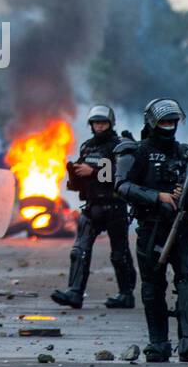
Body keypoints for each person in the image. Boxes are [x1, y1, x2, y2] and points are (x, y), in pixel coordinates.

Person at [115, 98, 188, 363]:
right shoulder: (135, 153)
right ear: (152, 122)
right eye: (163, 121)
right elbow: (122, 186)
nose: (168, 126)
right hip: (151, 229)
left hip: (184, 229)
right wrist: (157, 197)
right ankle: (158, 343)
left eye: (172, 121)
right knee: (152, 287)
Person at [51, 104, 136, 309]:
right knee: (79, 250)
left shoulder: (120, 147)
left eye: (103, 122)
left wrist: (93, 171)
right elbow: (79, 180)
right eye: (96, 123)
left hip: (115, 208)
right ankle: (75, 292)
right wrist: (74, 173)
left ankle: (126, 295)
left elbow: (120, 174)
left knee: (119, 254)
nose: (99, 126)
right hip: (91, 207)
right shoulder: (87, 147)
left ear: (110, 124)